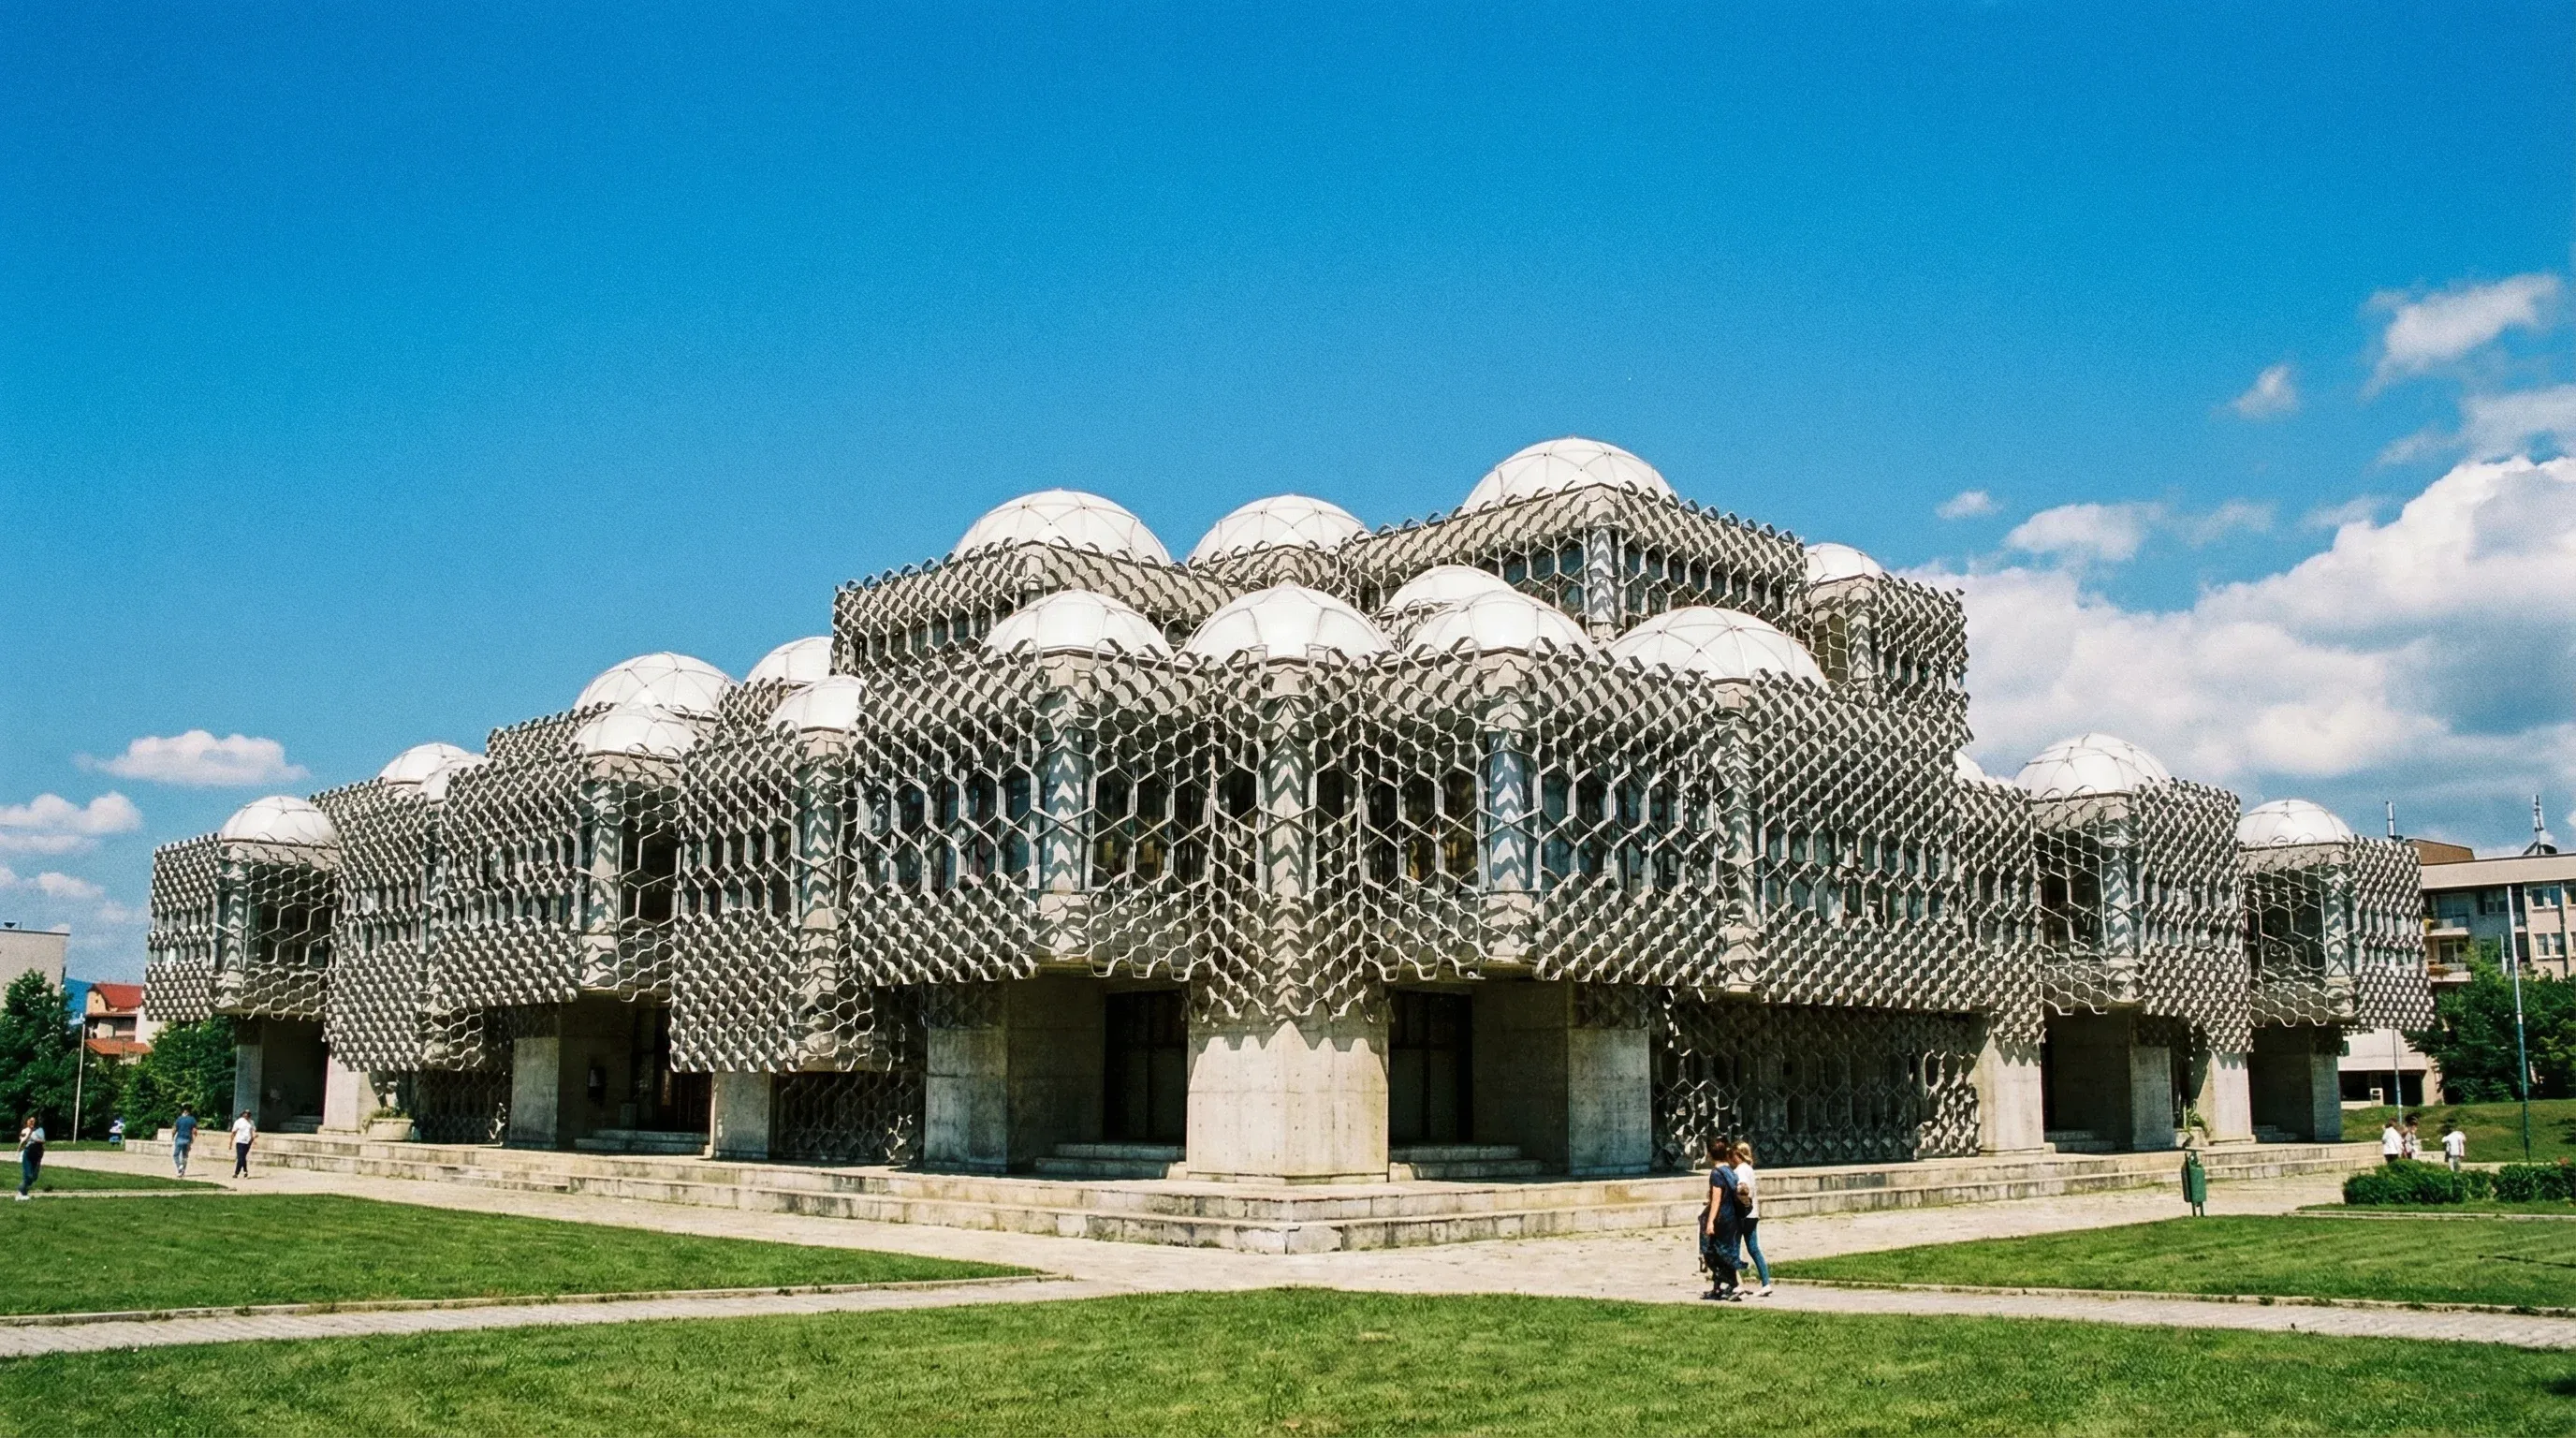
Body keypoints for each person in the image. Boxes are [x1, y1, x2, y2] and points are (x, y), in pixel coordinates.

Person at [1700, 1137, 1744, 1301]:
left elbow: (1717, 1199)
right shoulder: (1730, 1171)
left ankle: (1733, 1284)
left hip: (1721, 1218)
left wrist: (1710, 1222)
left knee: (1713, 1252)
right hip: (1732, 1217)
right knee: (1724, 1250)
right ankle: (1717, 1287)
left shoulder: (1717, 1173)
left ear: (1710, 1154)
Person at [1733, 1141, 1771, 1296]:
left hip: (1743, 1214)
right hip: (1753, 1214)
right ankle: (1766, 1282)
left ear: (1739, 1154)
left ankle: (1736, 1283)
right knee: (1754, 1249)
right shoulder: (1749, 1169)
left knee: (1734, 1248)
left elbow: (1743, 1189)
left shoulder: (1741, 1170)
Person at [16, 1115, 45, 1200]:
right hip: (28, 1154)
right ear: (27, 1122)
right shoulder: (24, 1131)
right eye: (30, 1120)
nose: (31, 1122)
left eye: (33, 1121)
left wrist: (34, 1137)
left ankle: (23, 1193)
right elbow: (23, 1141)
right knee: (28, 1175)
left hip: (37, 1154)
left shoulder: (40, 1130)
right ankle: (20, 1191)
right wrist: (29, 1134)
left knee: (34, 1177)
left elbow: (43, 1141)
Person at [2180, 1144, 2209, 1217]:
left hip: (2195, 1177)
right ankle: (2197, 1211)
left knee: (2198, 1194)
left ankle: (2199, 1211)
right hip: (2193, 1178)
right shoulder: (2188, 1167)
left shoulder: (2195, 1168)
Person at [170, 1106, 197, 1177]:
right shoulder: (192, 1119)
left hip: (179, 1138)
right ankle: (182, 1172)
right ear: (189, 1112)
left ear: (183, 1111)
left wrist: (172, 1137)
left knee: (176, 1155)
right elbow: (194, 1131)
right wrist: (192, 1141)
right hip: (187, 1139)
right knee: (185, 1156)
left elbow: (174, 1130)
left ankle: (179, 1167)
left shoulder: (179, 1119)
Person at [230, 1108, 256, 1178]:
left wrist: (253, 1138)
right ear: (243, 1114)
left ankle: (244, 1171)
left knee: (243, 1157)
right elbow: (233, 1132)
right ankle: (237, 1172)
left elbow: (253, 1131)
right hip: (240, 1141)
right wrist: (231, 1142)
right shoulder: (239, 1121)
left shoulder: (251, 1122)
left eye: (248, 1114)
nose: (247, 1115)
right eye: (246, 1114)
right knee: (240, 1157)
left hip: (248, 1142)